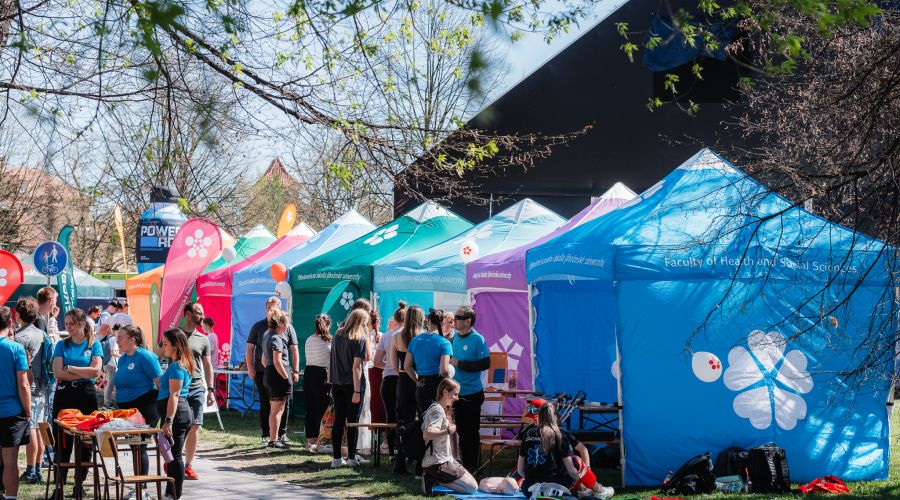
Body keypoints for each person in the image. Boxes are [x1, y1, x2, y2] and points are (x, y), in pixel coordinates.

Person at [52, 308, 102, 498]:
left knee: (86, 440)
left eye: (71, 323)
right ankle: (59, 485)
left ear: (82, 324)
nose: (68, 327)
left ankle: (79, 484)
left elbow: (96, 371)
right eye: (66, 323)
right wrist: (83, 372)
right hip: (65, 393)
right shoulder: (61, 344)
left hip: (86, 394)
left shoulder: (93, 344)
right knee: (62, 440)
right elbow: (58, 372)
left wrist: (71, 368)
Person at [246, 297, 299, 446]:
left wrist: (294, 371)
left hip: (272, 371)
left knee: (280, 406)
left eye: (273, 307)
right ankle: (270, 437)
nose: (270, 310)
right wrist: (284, 377)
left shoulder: (276, 331)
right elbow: (273, 359)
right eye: (268, 307)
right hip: (273, 373)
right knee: (271, 406)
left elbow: (293, 350)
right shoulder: (266, 331)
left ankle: (279, 435)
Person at [114, 325, 162, 477]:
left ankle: (142, 486)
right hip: (127, 409)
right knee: (133, 447)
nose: (117, 341)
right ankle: (138, 483)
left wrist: (165, 412)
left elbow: (160, 385)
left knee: (139, 446)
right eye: (117, 338)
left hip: (145, 406)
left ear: (132, 340)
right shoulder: (123, 359)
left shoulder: (145, 356)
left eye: (120, 338)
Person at [448, 306, 490, 473]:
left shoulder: (478, 339)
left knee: (471, 432)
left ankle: (474, 466)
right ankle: (466, 465)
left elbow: (485, 363)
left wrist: (461, 364)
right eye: (455, 317)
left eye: (458, 317)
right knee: (460, 431)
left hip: (472, 393)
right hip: (456, 394)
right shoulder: (453, 338)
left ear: (468, 321)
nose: (454, 320)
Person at [421, 378, 477, 496]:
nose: (457, 398)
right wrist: (447, 431)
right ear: (445, 392)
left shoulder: (442, 408)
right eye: (455, 394)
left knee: (473, 487)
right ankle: (431, 477)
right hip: (437, 462)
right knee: (472, 488)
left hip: (445, 459)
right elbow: (427, 434)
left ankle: (434, 478)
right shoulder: (437, 410)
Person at [177, 302, 214, 481]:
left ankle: (188, 466)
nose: (202, 316)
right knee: (179, 427)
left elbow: (207, 365)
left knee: (195, 425)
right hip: (177, 388)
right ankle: (174, 461)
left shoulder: (203, 339)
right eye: (199, 313)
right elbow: (159, 354)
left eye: (203, 313)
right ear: (188, 314)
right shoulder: (174, 334)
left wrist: (211, 389)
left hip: (198, 387)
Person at [13, 298, 49, 485]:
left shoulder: (19, 337)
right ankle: (37, 468)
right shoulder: (42, 334)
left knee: (32, 429)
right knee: (38, 428)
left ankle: (31, 470)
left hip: (28, 387)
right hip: (42, 387)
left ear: (18, 314)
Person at [158, 328, 196, 500]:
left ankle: (174, 494)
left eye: (166, 344)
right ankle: (170, 492)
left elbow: (174, 394)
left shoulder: (177, 366)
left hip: (178, 414)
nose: (163, 347)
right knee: (171, 456)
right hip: (178, 412)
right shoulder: (177, 364)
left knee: (175, 455)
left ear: (176, 345)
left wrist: (168, 421)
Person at [328, 308, 369, 468]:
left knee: (339, 420)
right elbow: (356, 367)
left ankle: (336, 458)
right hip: (353, 385)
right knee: (353, 422)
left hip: (337, 383)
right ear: (361, 322)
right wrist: (357, 391)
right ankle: (351, 458)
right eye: (365, 322)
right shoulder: (360, 338)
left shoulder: (337, 335)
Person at [0, 306, 31, 500]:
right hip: (12, 411)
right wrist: (28, 411)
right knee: (10, 460)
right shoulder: (15, 348)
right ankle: (11, 497)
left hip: (10, 410)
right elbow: (24, 385)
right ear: (10, 323)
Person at [390, 304, 423, 475]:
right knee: (422, 418)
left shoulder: (396, 336)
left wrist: (403, 374)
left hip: (403, 380)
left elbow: (394, 365)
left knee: (402, 419)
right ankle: (419, 461)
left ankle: (400, 460)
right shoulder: (422, 337)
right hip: (419, 380)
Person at [406, 309, 452, 417]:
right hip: (438, 384)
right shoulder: (445, 343)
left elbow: (407, 366)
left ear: (428, 321)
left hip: (421, 384)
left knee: (424, 419)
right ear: (441, 323)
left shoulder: (415, 340)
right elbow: (444, 371)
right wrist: (450, 379)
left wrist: (418, 380)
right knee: (439, 419)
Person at [374, 302, 405, 458]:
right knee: (405, 415)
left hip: (388, 379)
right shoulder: (410, 335)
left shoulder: (386, 336)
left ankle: (392, 452)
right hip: (404, 379)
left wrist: (390, 365)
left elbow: (377, 362)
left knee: (390, 415)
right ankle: (403, 451)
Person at [263, 310, 294, 449]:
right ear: (280, 323)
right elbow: (277, 361)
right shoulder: (276, 337)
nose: (287, 326)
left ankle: (273, 439)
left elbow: (264, 360)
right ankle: (273, 441)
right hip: (278, 375)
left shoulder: (267, 334)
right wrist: (286, 377)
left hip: (270, 374)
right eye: (286, 323)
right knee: (278, 410)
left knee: (274, 409)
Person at [303, 314, 331, 453]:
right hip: (321, 375)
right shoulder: (329, 342)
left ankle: (310, 441)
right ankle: (321, 440)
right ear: (328, 325)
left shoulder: (309, 339)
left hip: (309, 373)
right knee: (322, 408)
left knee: (310, 409)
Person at [98, 322, 120, 407]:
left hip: (108, 364)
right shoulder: (113, 339)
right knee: (110, 384)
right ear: (117, 330)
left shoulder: (109, 338)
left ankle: (111, 402)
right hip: (111, 364)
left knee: (110, 383)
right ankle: (107, 403)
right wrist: (123, 356)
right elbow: (113, 353)